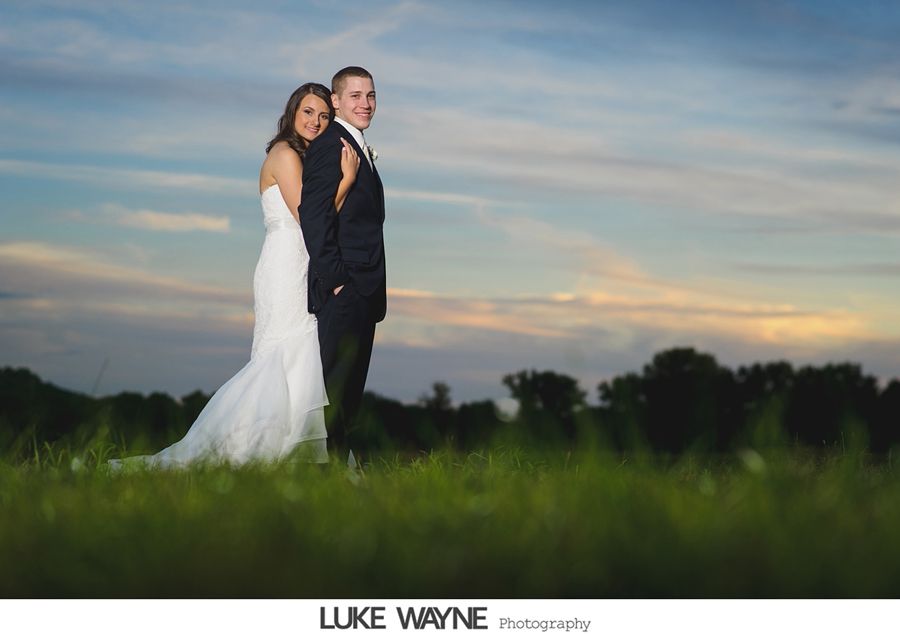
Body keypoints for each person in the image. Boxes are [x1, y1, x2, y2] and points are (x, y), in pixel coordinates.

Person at [109, 83, 360, 469]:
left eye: (325, 115)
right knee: (281, 355)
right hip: (285, 264)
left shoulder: (308, 157)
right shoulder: (285, 154)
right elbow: (308, 218)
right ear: (293, 113)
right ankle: (249, 449)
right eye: (309, 112)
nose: (316, 121)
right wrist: (346, 181)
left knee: (301, 356)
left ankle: (290, 450)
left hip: (302, 262)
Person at [299, 66, 386, 457]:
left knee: (349, 391)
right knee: (336, 388)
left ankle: (342, 472)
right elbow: (314, 216)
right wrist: (337, 281)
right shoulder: (329, 145)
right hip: (345, 287)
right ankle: (332, 472)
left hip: (363, 288)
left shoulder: (354, 144)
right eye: (355, 96)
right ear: (335, 101)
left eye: (370, 96)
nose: (365, 104)